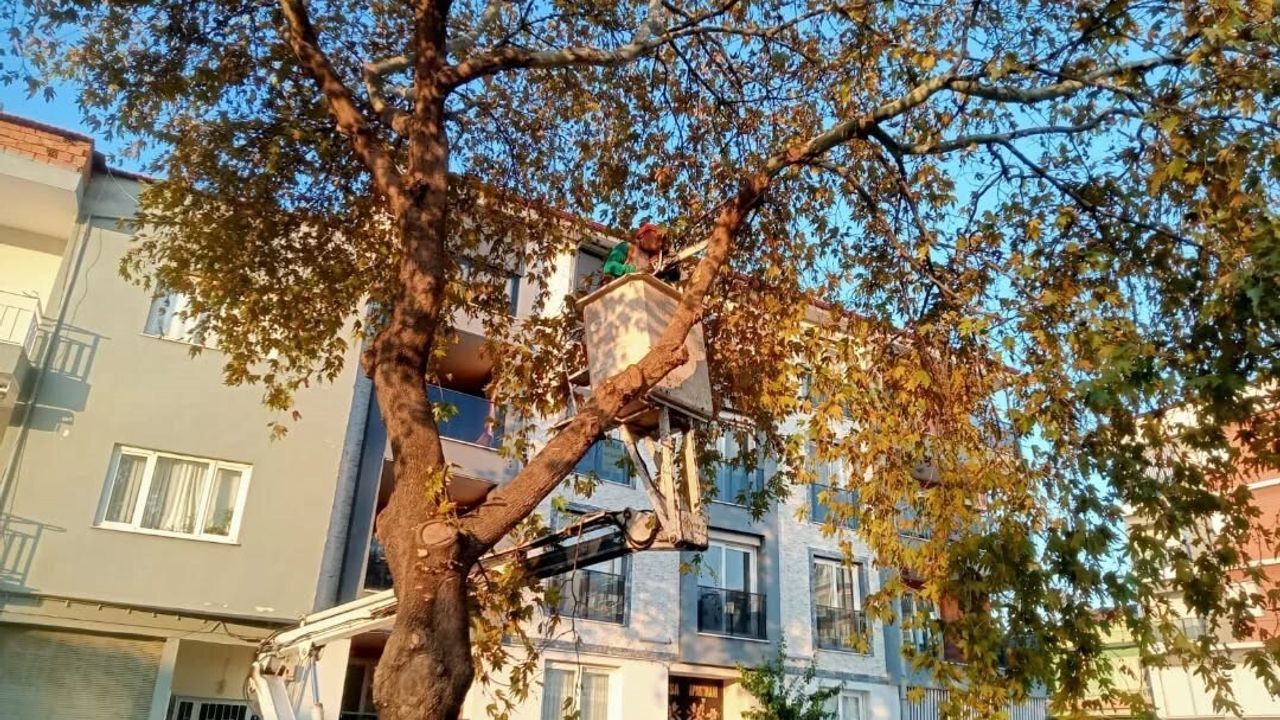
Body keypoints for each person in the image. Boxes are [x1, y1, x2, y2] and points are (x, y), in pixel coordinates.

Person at [603, 222, 677, 280]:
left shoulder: (651, 259)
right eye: (657, 238)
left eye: (661, 240)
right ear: (643, 236)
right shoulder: (627, 247)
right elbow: (609, 266)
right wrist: (631, 270)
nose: (660, 243)